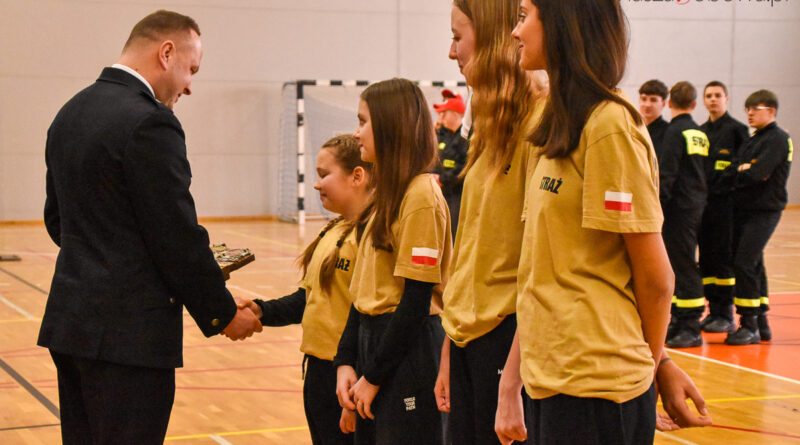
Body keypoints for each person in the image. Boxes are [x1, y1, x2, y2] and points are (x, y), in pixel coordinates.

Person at [39, 10, 262, 445]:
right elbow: (175, 237)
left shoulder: (71, 111)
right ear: (166, 53)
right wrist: (220, 312)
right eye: (191, 69)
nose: (190, 86)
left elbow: (58, 222)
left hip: (72, 328)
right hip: (129, 342)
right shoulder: (150, 121)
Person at [495, 1, 711, 444]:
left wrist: (652, 366)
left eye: (523, 16)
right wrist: (511, 381)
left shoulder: (609, 124)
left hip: (598, 387)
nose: (515, 32)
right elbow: (542, 273)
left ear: (564, 24)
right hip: (551, 379)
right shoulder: (556, 123)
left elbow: (656, 279)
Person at [434, 0, 538, 443]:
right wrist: (450, 341)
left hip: (509, 339)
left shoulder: (540, 123)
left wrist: (512, 380)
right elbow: (473, 251)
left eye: (458, 37)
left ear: (495, 38)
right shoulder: (489, 121)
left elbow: (542, 266)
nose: (451, 52)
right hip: (467, 338)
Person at [334, 78, 452, 445]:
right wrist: (346, 360)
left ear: (390, 126)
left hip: (408, 353)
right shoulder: (383, 195)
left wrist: (374, 376)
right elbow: (362, 294)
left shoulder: (420, 196)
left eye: (363, 121)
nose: (356, 133)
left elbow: (415, 301)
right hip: (375, 346)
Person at [237, 135, 372, 444]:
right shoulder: (333, 230)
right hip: (318, 370)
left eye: (324, 174)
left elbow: (371, 316)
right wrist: (261, 310)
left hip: (350, 377)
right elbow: (308, 299)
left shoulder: (372, 236)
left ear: (357, 176)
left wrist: (357, 387)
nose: (316, 184)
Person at [723, 90, 792, 345]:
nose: (750, 113)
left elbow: (757, 173)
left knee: (744, 262)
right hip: (745, 209)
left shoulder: (778, 139)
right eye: (747, 109)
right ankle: (761, 322)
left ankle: (749, 323)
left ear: (771, 111)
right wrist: (743, 169)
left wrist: (746, 170)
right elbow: (734, 170)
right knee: (754, 263)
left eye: (755, 108)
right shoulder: (754, 139)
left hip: (765, 210)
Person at [660, 81, 710, 348]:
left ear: (669, 103)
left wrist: (658, 205)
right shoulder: (699, 132)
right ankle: (680, 319)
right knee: (683, 260)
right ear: (694, 104)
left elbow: (668, 172)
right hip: (696, 204)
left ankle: (690, 325)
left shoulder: (674, 131)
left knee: (682, 263)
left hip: (679, 208)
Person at [698, 81, 750, 334]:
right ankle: (713, 309)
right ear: (703, 100)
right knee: (706, 258)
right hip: (703, 205)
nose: (713, 99)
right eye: (708, 95)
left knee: (723, 258)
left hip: (727, 207)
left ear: (726, 99)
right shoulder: (700, 132)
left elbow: (742, 167)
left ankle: (726, 312)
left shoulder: (738, 130)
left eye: (718, 95)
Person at [432, 89, 468, 237]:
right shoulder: (443, 135)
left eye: (444, 114)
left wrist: (442, 178)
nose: (441, 118)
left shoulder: (465, 137)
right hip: (441, 193)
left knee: (452, 234)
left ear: (455, 114)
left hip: (457, 196)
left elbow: (464, 167)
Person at [639, 79, 670, 154]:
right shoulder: (634, 127)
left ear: (663, 103)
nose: (647, 105)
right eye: (644, 99)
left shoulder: (668, 132)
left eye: (653, 100)